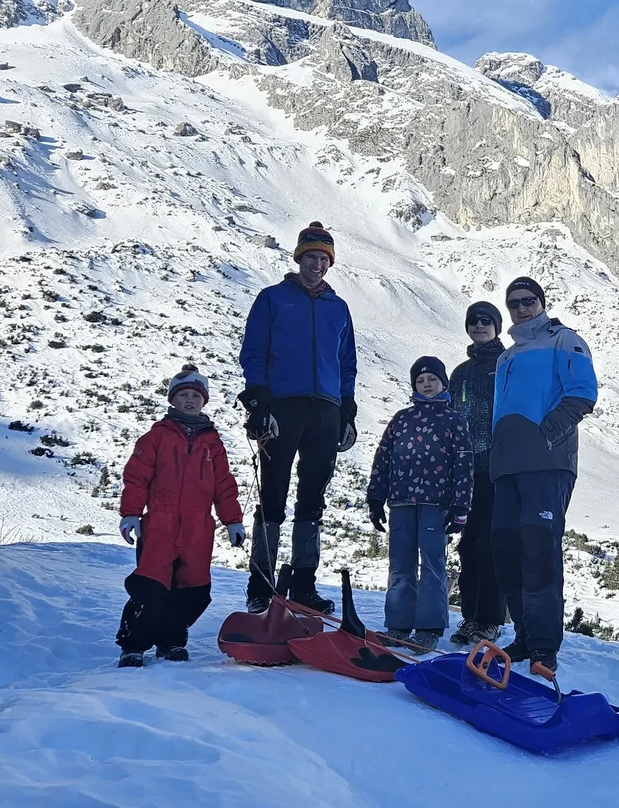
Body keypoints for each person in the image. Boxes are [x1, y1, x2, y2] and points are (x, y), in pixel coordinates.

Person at [237, 220, 357, 614]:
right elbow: (253, 351)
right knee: (273, 495)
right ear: (299, 258)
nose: (316, 264)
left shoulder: (338, 307)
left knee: (312, 500)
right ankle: (262, 585)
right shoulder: (273, 298)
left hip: (325, 409)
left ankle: (304, 585)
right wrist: (258, 401)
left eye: (323, 258)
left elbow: (347, 363)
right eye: (310, 257)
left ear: (329, 262)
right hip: (282, 406)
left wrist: (347, 409)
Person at [489, 276, 597, 682]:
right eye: (513, 303)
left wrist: (548, 432)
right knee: (506, 551)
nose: (520, 308)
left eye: (528, 301)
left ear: (542, 302)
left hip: (547, 463)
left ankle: (544, 645)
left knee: (538, 550)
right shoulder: (507, 356)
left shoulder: (564, 340)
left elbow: (584, 391)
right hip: (506, 466)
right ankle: (523, 635)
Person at [116, 366, 244, 665]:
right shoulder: (156, 437)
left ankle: (171, 641)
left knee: (193, 589)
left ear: (204, 401)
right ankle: (133, 645)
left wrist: (233, 520)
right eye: (183, 395)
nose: (189, 400)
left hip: (198, 527)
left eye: (195, 396)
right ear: (172, 400)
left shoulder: (213, 443)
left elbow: (224, 485)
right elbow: (137, 477)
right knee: (150, 586)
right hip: (160, 523)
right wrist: (131, 513)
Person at [366, 356, 473, 649]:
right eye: (420, 381)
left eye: (432, 380)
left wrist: (461, 505)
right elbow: (383, 457)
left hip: (436, 504)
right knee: (400, 565)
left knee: (433, 565)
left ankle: (430, 627)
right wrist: (376, 496)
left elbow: (464, 464)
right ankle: (398, 624)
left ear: (443, 384)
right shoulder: (402, 418)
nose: (426, 385)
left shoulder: (453, 420)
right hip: (400, 502)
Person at [447, 299, 507, 645]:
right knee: (468, 546)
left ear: (497, 326)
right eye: (474, 322)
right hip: (466, 471)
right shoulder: (461, 373)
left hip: (497, 469)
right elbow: (453, 420)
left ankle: (491, 619)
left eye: (486, 321)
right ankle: (470, 617)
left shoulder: (507, 365)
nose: (480, 326)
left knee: (491, 544)